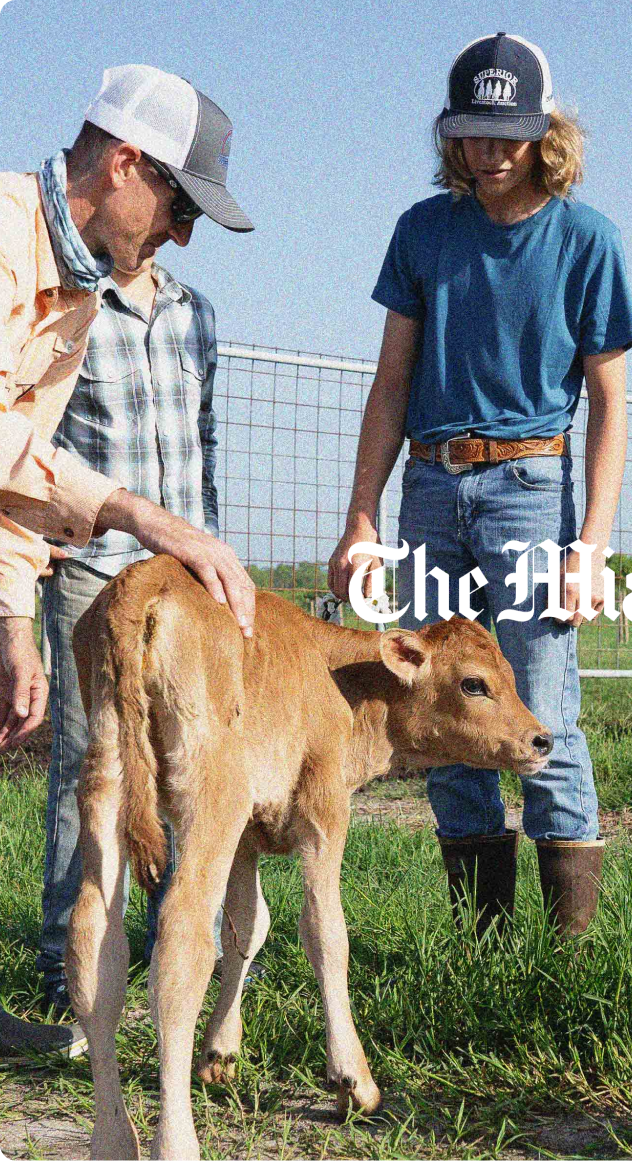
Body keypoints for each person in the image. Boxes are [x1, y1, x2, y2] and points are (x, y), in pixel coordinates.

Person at [329, 33, 632, 938]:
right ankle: (485, 945)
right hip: (430, 489)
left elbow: (612, 404)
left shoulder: (588, 241)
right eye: (471, 132)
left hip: (531, 488)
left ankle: (569, 953)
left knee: (542, 707)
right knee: (442, 712)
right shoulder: (423, 232)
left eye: (507, 131)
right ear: (450, 137)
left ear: (545, 131)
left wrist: (591, 548)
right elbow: (391, 381)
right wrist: (362, 518)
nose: (489, 150)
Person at [0, 64, 255, 1058]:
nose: (181, 235)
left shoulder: (72, 292)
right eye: (180, 207)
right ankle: (73, 983)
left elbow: (17, 473)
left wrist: (10, 623)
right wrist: (133, 511)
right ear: (124, 163)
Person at [36, 245, 224, 1022]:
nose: (174, 229)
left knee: (185, 756)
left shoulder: (194, 312)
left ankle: (176, 946)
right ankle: (66, 959)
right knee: (92, 760)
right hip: (92, 565)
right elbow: (38, 436)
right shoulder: (71, 310)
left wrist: (211, 541)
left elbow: (206, 438)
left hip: (180, 578)